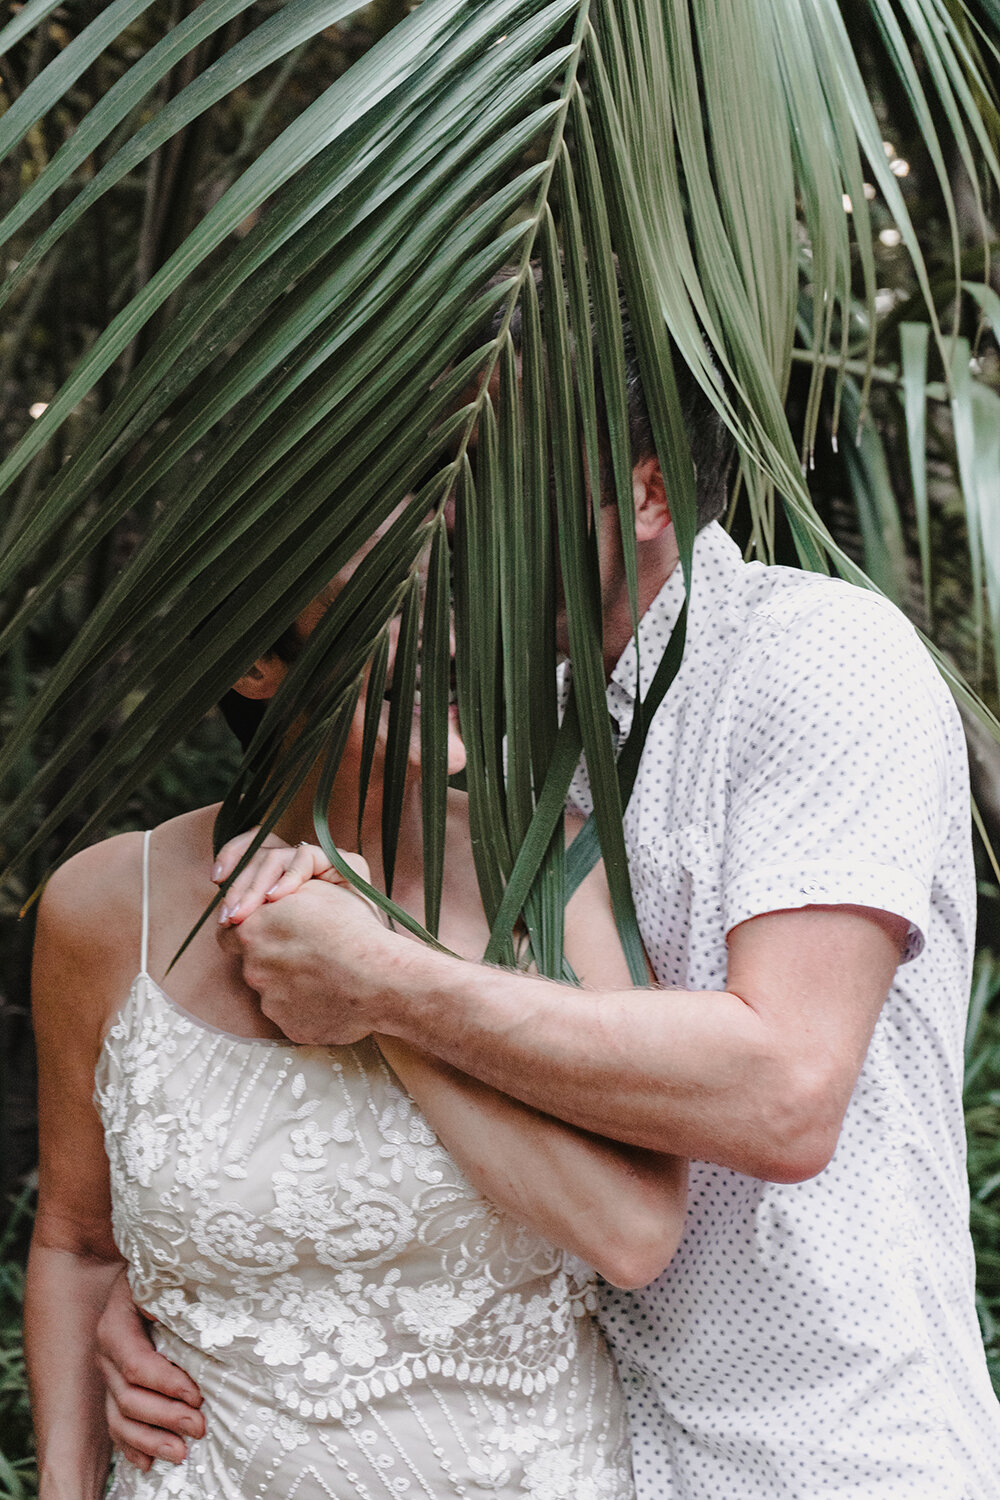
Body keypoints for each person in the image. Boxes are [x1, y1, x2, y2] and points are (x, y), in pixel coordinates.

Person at [100, 275, 1000, 1494]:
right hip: (585, 1444)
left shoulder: (814, 664)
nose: (447, 507)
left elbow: (784, 1093)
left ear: (642, 492)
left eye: (494, 467)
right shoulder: (481, 717)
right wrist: (174, 1290)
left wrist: (385, 984)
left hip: (821, 1450)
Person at [25, 547, 690, 1500]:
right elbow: (78, 1245)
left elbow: (631, 1232)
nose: (455, 645)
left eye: (465, 594)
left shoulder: (559, 875)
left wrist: (377, 989)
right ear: (258, 660)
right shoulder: (103, 904)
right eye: (394, 608)